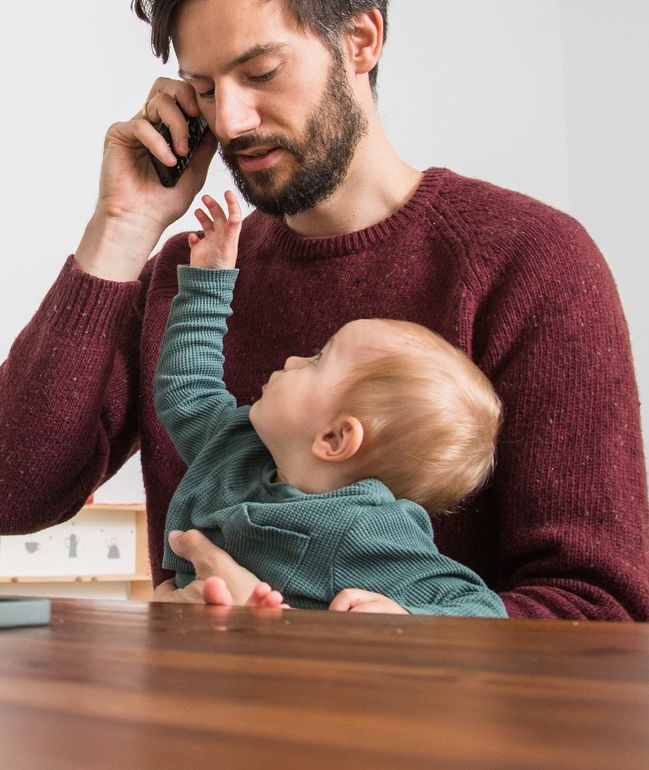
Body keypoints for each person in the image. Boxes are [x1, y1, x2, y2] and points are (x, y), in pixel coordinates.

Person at [0, 0, 649, 620]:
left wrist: (320, 635)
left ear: (360, 40)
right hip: (197, 724)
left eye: (259, 71)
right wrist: (122, 227)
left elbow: (604, 614)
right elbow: (8, 497)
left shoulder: (532, 261)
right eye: (203, 90)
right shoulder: (191, 273)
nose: (229, 121)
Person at [151, 190, 505, 615]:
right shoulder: (238, 447)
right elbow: (187, 390)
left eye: (317, 359)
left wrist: (405, 622)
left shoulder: (364, 531)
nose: (293, 359)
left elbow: (481, 610)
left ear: (336, 438)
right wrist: (207, 283)